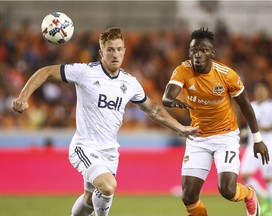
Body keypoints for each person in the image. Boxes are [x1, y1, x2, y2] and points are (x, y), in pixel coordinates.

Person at [11, 27, 202, 216]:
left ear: (125, 51)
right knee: (108, 186)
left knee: (89, 200)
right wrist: (23, 97)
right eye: (110, 49)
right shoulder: (85, 72)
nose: (115, 54)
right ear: (102, 52)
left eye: (119, 49)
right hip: (84, 146)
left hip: (110, 152)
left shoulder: (129, 82)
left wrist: (179, 128)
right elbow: (46, 71)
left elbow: (152, 108)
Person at [162, 27, 270, 216]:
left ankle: (249, 193)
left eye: (203, 50)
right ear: (189, 52)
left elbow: (246, 106)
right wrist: (169, 100)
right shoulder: (183, 70)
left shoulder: (227, 75)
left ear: (212, 53)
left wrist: (258, 139)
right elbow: (167, 95)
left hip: (225, 136)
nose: (198, 55)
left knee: (227, 190)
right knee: (188, 196)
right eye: (194, 50)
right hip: (198, 137)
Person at [240, 80, 272, 216]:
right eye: (257, 89)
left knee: (269, 178)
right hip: (252, 147)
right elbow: (250, 126)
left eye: (262, 89)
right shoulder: (251, 105)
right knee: (245, 175)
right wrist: (245, 132)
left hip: (268, 146)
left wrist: (265, 127)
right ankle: (264, 195)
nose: (259, 91)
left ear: (268, 91)